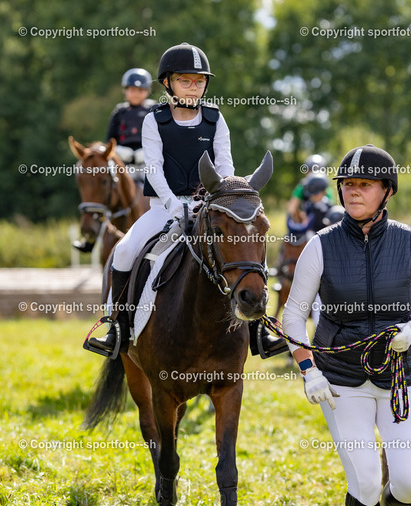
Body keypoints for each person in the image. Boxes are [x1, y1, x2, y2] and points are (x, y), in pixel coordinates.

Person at [282, 145, 411, 506]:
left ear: (387, 190)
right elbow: (293, 316)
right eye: (347, 184)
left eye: (364, 184)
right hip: (340, 380)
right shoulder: (319, 246)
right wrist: (308, 370)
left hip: (401, 379)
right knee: (363, 478)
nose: (352, 191)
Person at [88, 42, 287, 358]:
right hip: (163, 208)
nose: (193, 87)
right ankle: (116, 327)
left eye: (199, 81)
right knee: (123, 251)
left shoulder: (215, 118)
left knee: (248, 251)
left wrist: (223, 197)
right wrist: (172, 204)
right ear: (168, 83)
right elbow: (153, 168)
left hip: (212, 206)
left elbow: (225, 165)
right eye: (185, 80)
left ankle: (259, 329)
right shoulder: (154, 119)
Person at [106, 68, 157, 184]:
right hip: (123, 161)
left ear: (147, 91)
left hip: (148, 161)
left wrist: (148, 152)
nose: (136, 94)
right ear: (125, 90)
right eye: (132, 90)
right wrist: (118, 151)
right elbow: (110, 140)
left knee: (155, 183)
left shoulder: (154, 110)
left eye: (140, 90)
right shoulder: (119, 112)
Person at [288, 153, 334, 222]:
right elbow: (293, 207)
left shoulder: (326, 189)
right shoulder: (302, 187)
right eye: (311, 171)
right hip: (306, 220)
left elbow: (330, 208)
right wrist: (301, 217)